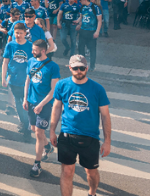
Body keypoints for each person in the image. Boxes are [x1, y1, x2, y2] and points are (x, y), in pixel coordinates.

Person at [50, 55, 112, 196]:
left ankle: (92, 192)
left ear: (87, 68)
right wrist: (52, 130)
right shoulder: (62, 85)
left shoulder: (98, 89)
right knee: (67, 172)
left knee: (90, 172)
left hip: (90, 137)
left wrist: (107, 141)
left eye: (82, 68)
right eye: (76, 68)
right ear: (70, 68)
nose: (79, 71)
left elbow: (105, 115)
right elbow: (56, 108)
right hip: (67, 135)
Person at [23, 39, 60, 178]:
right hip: (31, 102)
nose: (32, 52)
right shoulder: (31, 61)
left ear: (43, 51)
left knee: (39, 133)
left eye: (34, 50)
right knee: (34, 129)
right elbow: (28, 80)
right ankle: (48, 147)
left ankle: (37, 164)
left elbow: (53, 90)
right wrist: (25, 98)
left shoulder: (53, 67)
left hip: (44, 104)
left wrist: (41, 104)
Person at [1, 23, 33, 141]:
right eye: (16, 33)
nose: (18, 35)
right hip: (13, 80)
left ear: (25, 33)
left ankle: (27, 127)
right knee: (18, 103)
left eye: (20, 33)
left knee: (26, 104)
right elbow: (5, 62)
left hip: (26, 80)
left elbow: (33, 63)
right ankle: (24, 124)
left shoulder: (30, 46)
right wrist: (3, 78)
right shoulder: (10, 45)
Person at [77, 0, 102, 72]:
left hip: (91, 31)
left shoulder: (95, 8)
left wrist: (97, 31)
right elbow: (81, 17)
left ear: (85, 0)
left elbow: (99, 20)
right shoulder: (82, 8)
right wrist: (78, 23)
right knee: (81, 48)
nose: (80, 2)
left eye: (81, 0)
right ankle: (83, 64)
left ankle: (92, 65)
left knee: (92, 49)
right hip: (83, 30)